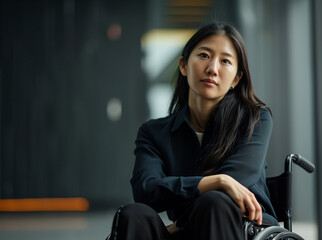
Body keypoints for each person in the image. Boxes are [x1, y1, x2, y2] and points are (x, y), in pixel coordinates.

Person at [109, 22, 278, 240]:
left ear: (236, 78)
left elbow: (237, 180)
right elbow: (145, 191)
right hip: (191, 234)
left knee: (213, 202)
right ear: (183, 65)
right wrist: (217, 181)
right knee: (134, 214)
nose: (212, 69)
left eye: (225, 61)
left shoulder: (256, 119)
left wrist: (183, 221)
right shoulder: (154, 133)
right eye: (204, 55)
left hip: (245, 230)